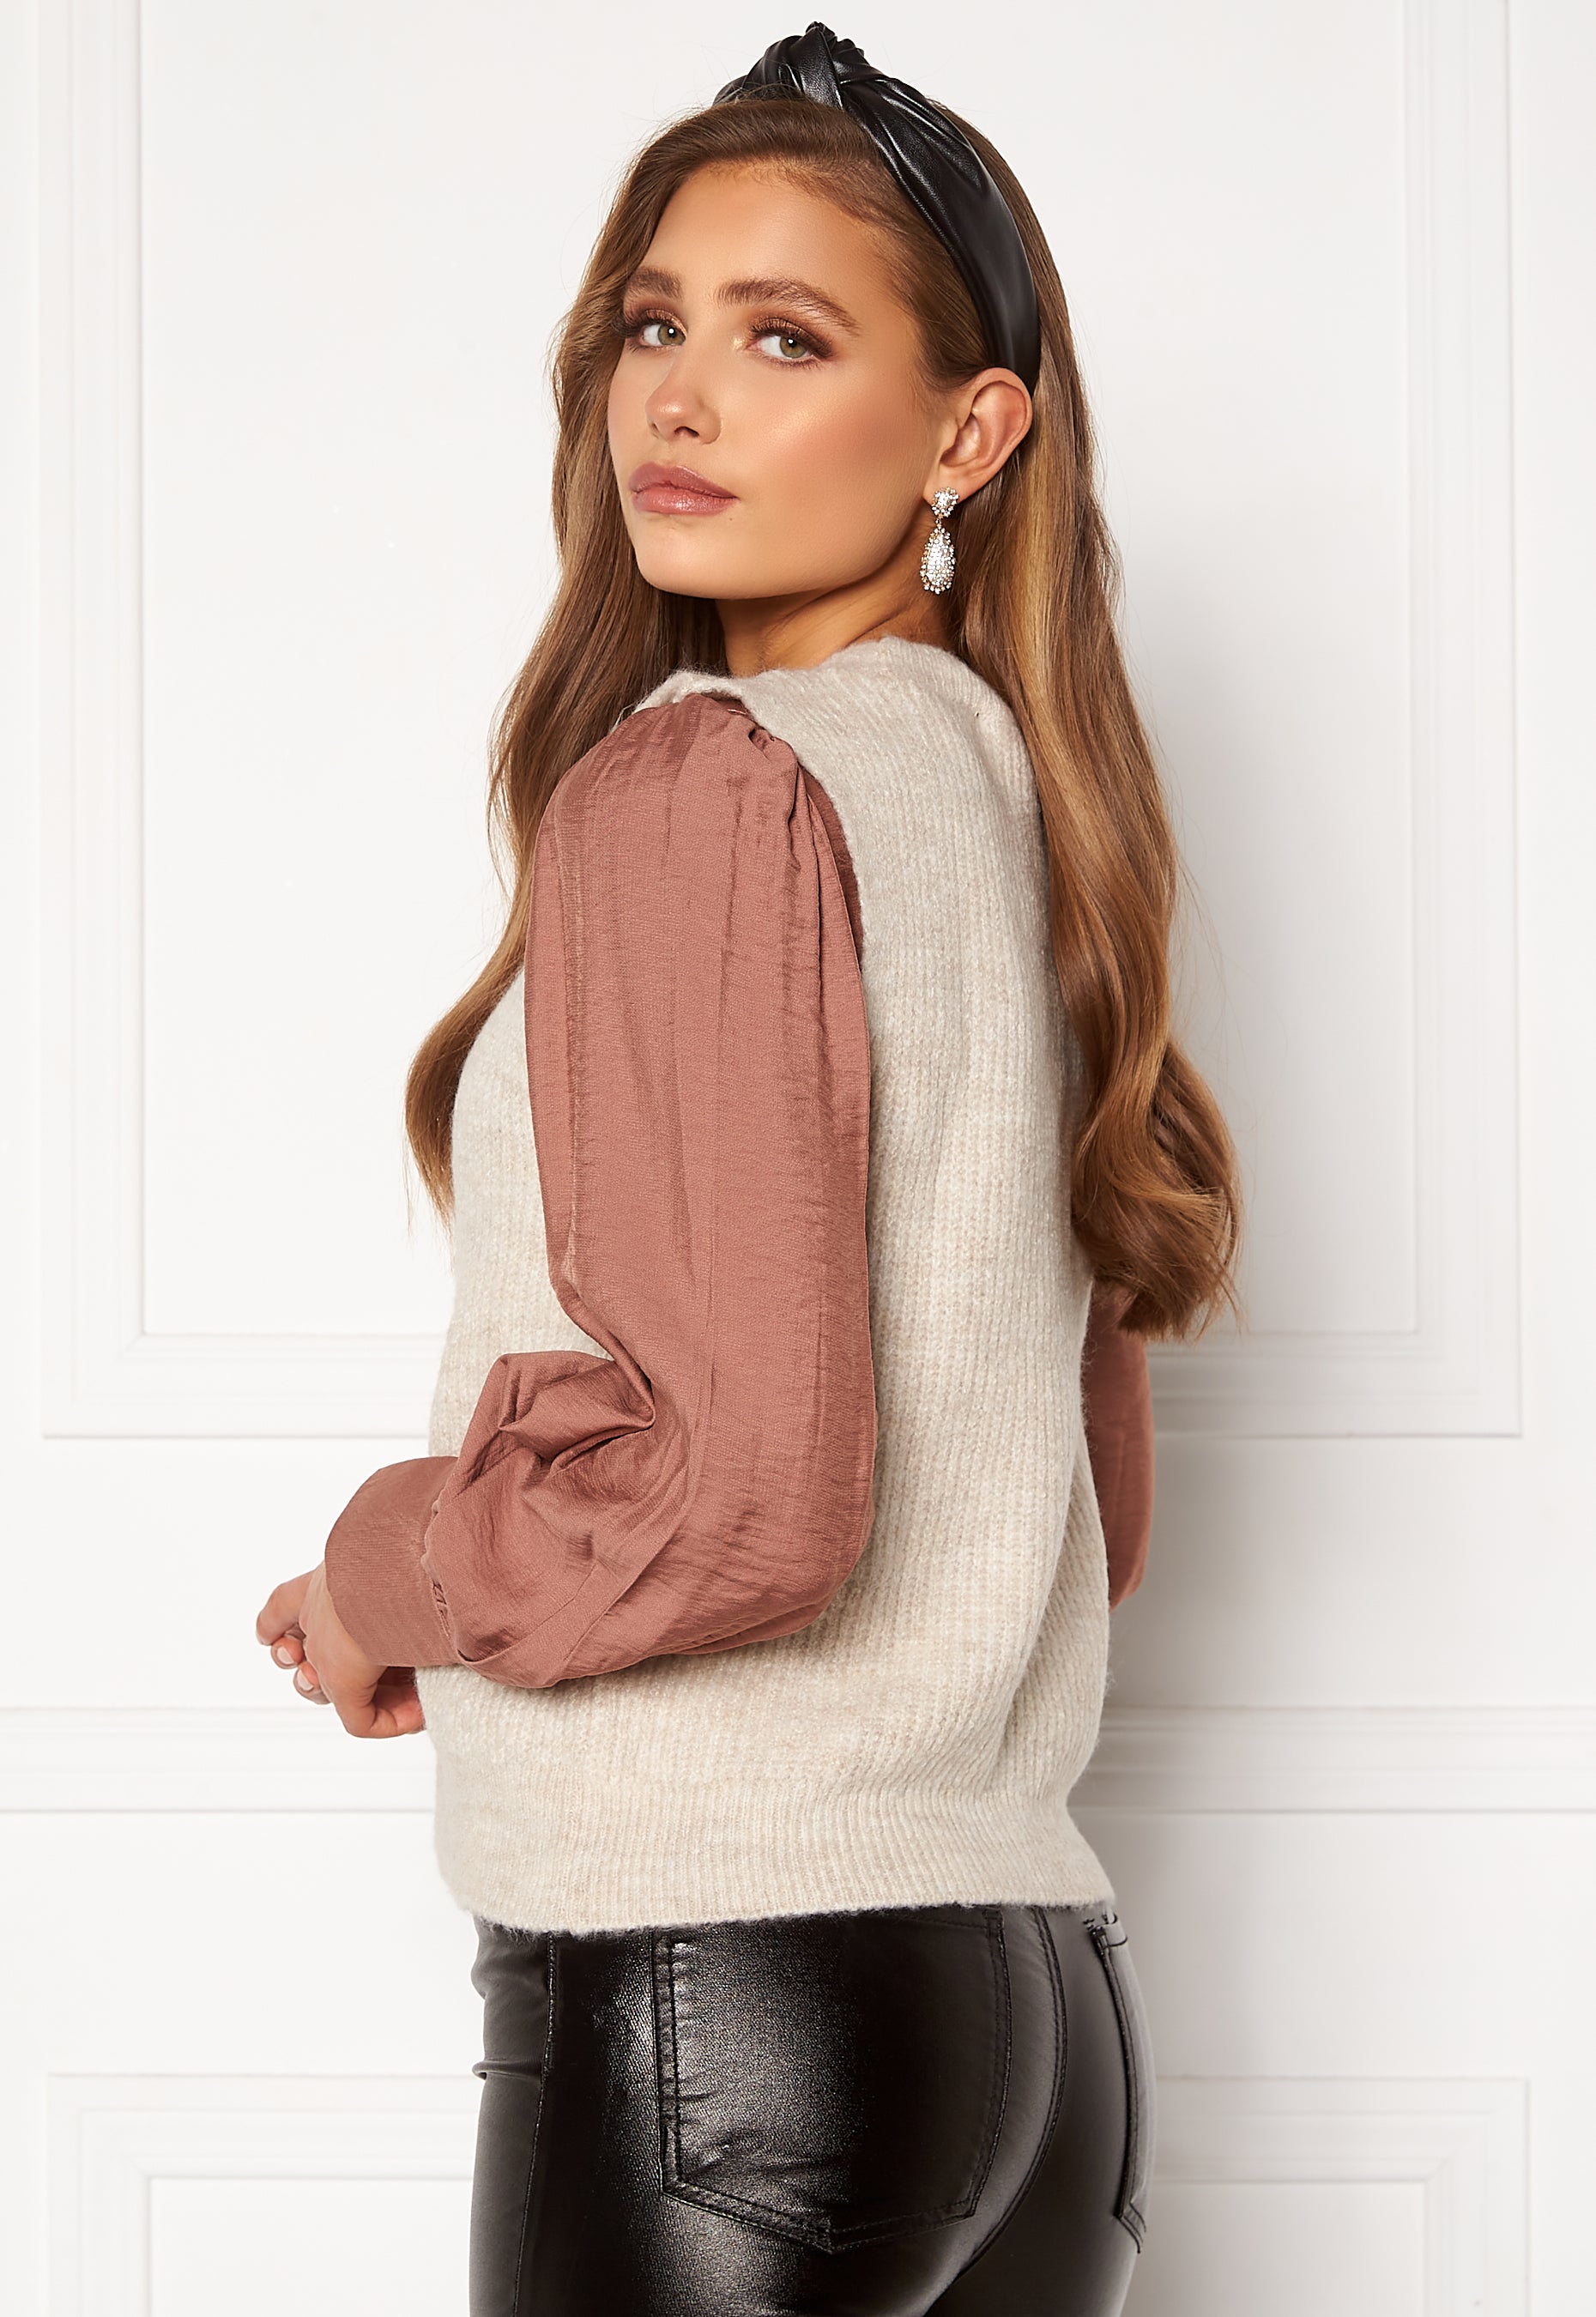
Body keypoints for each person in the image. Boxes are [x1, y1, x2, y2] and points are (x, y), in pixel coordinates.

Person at [256, 24, 1241, 2314]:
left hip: (726, 2009)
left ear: (968, 433)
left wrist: (389, 1563)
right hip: (1032, 2013)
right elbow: (1082, 1513)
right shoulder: (1031, 815)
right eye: (651, 325)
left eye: (786, 337)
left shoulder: (707, 784)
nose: (679, 400)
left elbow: (747, 1506)